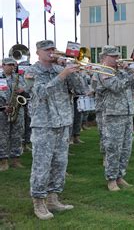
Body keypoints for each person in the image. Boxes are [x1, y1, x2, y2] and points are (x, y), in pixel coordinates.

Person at [25, 40, 82, 220]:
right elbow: (40, 93)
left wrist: (72, 71)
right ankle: (39, 201)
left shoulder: (60, 69)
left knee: (59, 163)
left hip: (63, 123)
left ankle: (53, 198)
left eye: (53, 49)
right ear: (38, 52)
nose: (51, 52)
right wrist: (62, 75)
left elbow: (82, 89)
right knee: (42, 165)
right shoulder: (31, 72)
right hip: (44, 125)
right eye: (47, 50)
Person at [98, 46, 134, 191]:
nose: (116, 59)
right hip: (113, 114)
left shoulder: (122, 71)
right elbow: (116, 86)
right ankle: (111, 179)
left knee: (126, 147)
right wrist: (132, 75)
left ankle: (120, 176)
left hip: (127, 112)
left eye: (117, 56)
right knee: (113, 148)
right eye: (113, 56)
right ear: (104, 57)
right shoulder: (103, 71)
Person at [0, 57, 27, 171]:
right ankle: (3, 161)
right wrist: (2, 107)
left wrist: (23, 90)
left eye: (13, 65)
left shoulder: (18, 78)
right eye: (9, 65)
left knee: (17, 135)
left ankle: (16, 161)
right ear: (3, 65)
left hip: (17, 110)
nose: (12, 67)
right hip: (2, 111)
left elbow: (27, 92)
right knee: (2, 136)